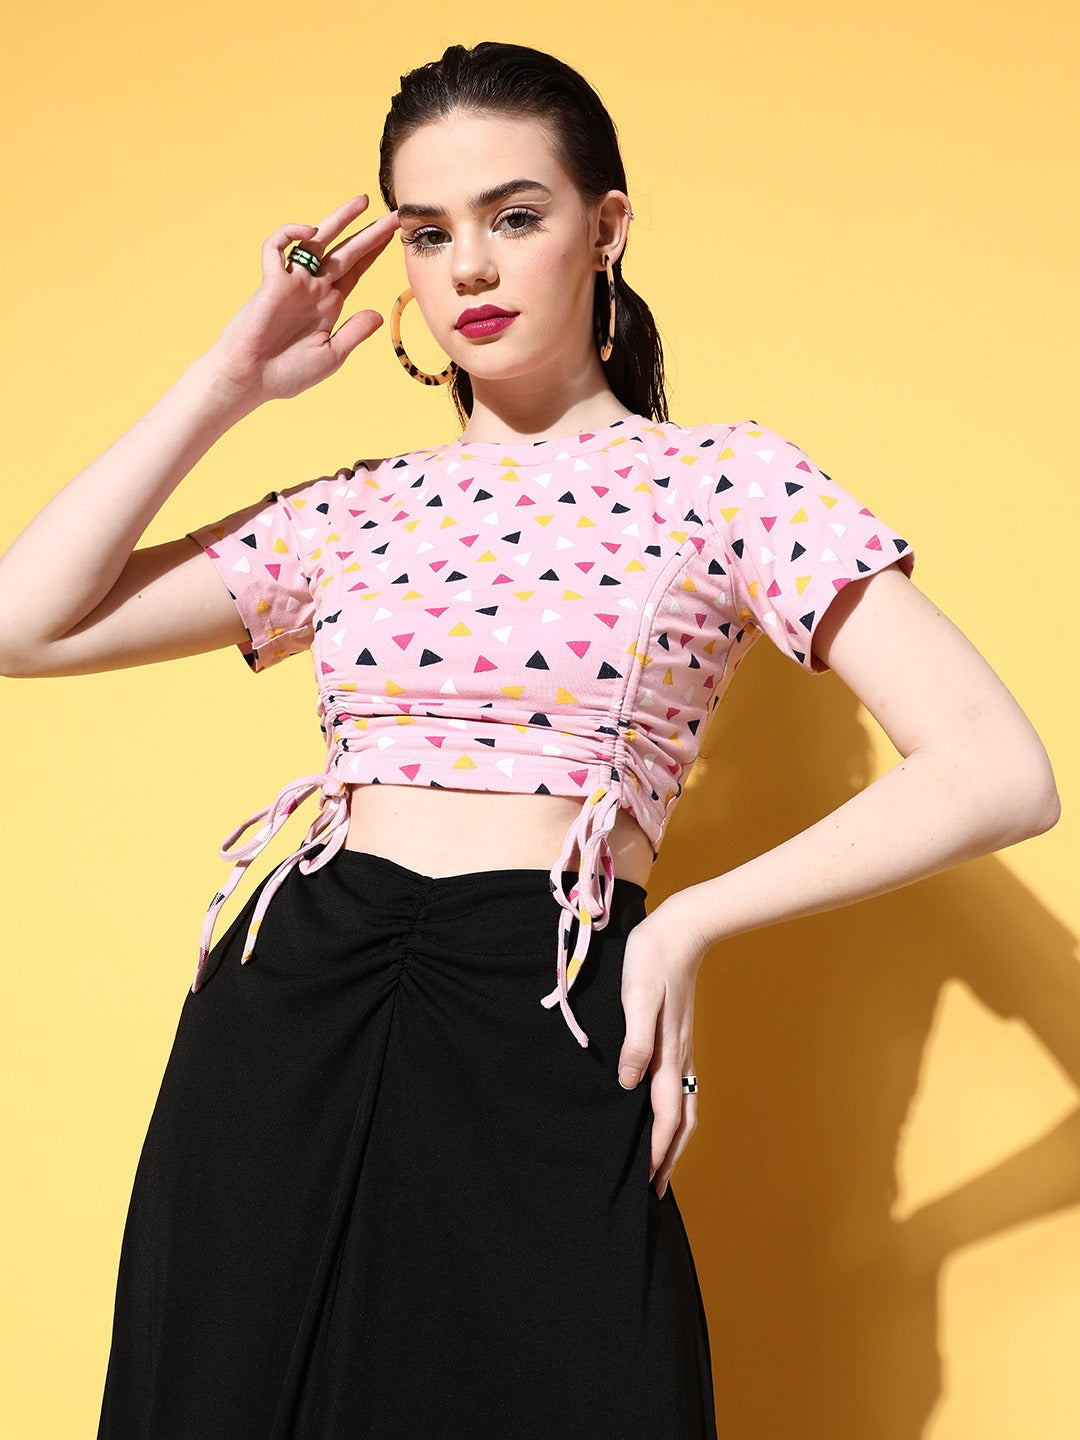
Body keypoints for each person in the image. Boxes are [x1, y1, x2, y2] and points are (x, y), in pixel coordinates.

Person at [0, 38, 1059, 1440]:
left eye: (514, 215)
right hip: (290, 1006)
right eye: (428, 233)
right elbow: (22, 624)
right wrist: (229, 381)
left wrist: (687, 926)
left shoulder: (727, 480)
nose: (470, 270)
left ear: (606, 227)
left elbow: (1000, 772)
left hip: (546, 996)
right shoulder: (361, 504)